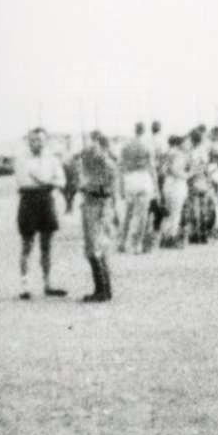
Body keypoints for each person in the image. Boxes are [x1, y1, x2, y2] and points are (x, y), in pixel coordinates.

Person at [14, 126, 68, 298]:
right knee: (27, 244)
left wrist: (46, 182)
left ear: (46, 141)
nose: (37, 143)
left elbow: (61, 181)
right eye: (33, 140)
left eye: (40, 140)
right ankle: (25, 287)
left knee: (47, 245)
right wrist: (48, 181)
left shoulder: (52, 159)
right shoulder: (21, 159)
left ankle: (48, 284)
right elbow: (23, 181)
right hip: (28, 200)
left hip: (46, 201)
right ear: (28, 141)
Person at [74, 131, 119, 302]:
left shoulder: (106, 164)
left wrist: (87, 187)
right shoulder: (96, 162)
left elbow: (108, 190)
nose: (90, 148)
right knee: (95, 248)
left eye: (93, 144)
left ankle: (102, 290)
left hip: (97, 206)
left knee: (94, 248)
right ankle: (103, 289)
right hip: (94, 205)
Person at [118, 122, 157, 252]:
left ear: (134, 130)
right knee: (143, 214)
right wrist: (156, 187)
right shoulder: (147, 146)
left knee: (128, 213)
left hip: (129, 179)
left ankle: (122, 242)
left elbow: (121, 167)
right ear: (144, 131)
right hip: (143, 178)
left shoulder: (126, 146)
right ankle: (137, 244)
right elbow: (152, 168)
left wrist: (121, 186)